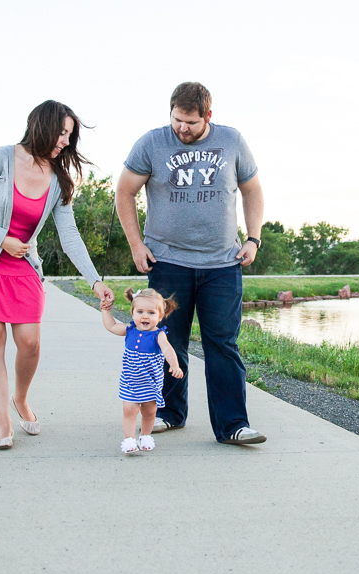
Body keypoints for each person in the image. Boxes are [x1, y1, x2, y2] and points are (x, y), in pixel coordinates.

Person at [0, 100, 114, 450]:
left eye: (69, 136)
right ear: (40, 125)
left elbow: (68, 236)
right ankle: (3, 423)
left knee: (30, 341)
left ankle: (21, 398)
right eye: (61, 132)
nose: (64, 141)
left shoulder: (59, 179)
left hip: (23, 264)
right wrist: (2, 239)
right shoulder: (2, 158)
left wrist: (94, 280)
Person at [116, 81, 266, 445]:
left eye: (191, 122)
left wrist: (253, 237)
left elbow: (252, 190)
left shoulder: (232, 141)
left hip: (222, 264)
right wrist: (136, 245)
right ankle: (168, 413)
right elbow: (124, 191)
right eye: (177, 120)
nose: (182, 128)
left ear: (208, 116)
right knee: (167, 339)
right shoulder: (152, 143)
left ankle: (233, 425)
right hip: (167, 261)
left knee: (222, 344)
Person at [101, 288, 183, 454]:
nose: (145, 316)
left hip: (150, 383)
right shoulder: (129, 330)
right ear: (132, 313)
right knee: (129, 410)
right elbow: (111, 326)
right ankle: (129, 440)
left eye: (151, 313)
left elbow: (168, 349)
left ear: (160, 317)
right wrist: (105, 311)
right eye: (140, 311)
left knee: (149, 412)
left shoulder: (158, 335)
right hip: (130, 381)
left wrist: (174, 365)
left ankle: (145, 436)